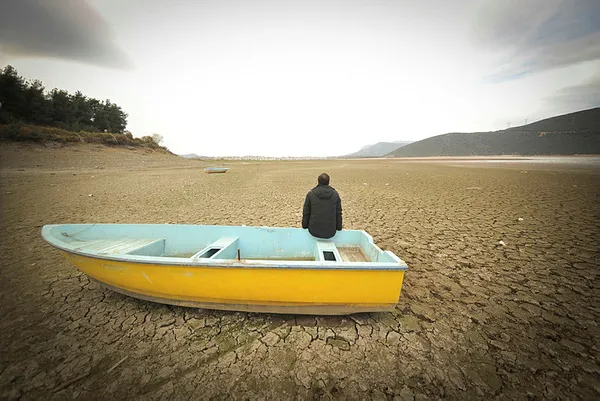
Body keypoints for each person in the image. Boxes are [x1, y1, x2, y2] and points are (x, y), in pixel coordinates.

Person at [302, 173, 342, 239]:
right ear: (328, 182)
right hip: (330, 232)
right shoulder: (335, 194)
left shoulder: (311, 194)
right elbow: (338, 213)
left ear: (318, 181)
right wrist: (339, 228)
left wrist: (304, 226)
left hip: (313, 230)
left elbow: (306, 212)